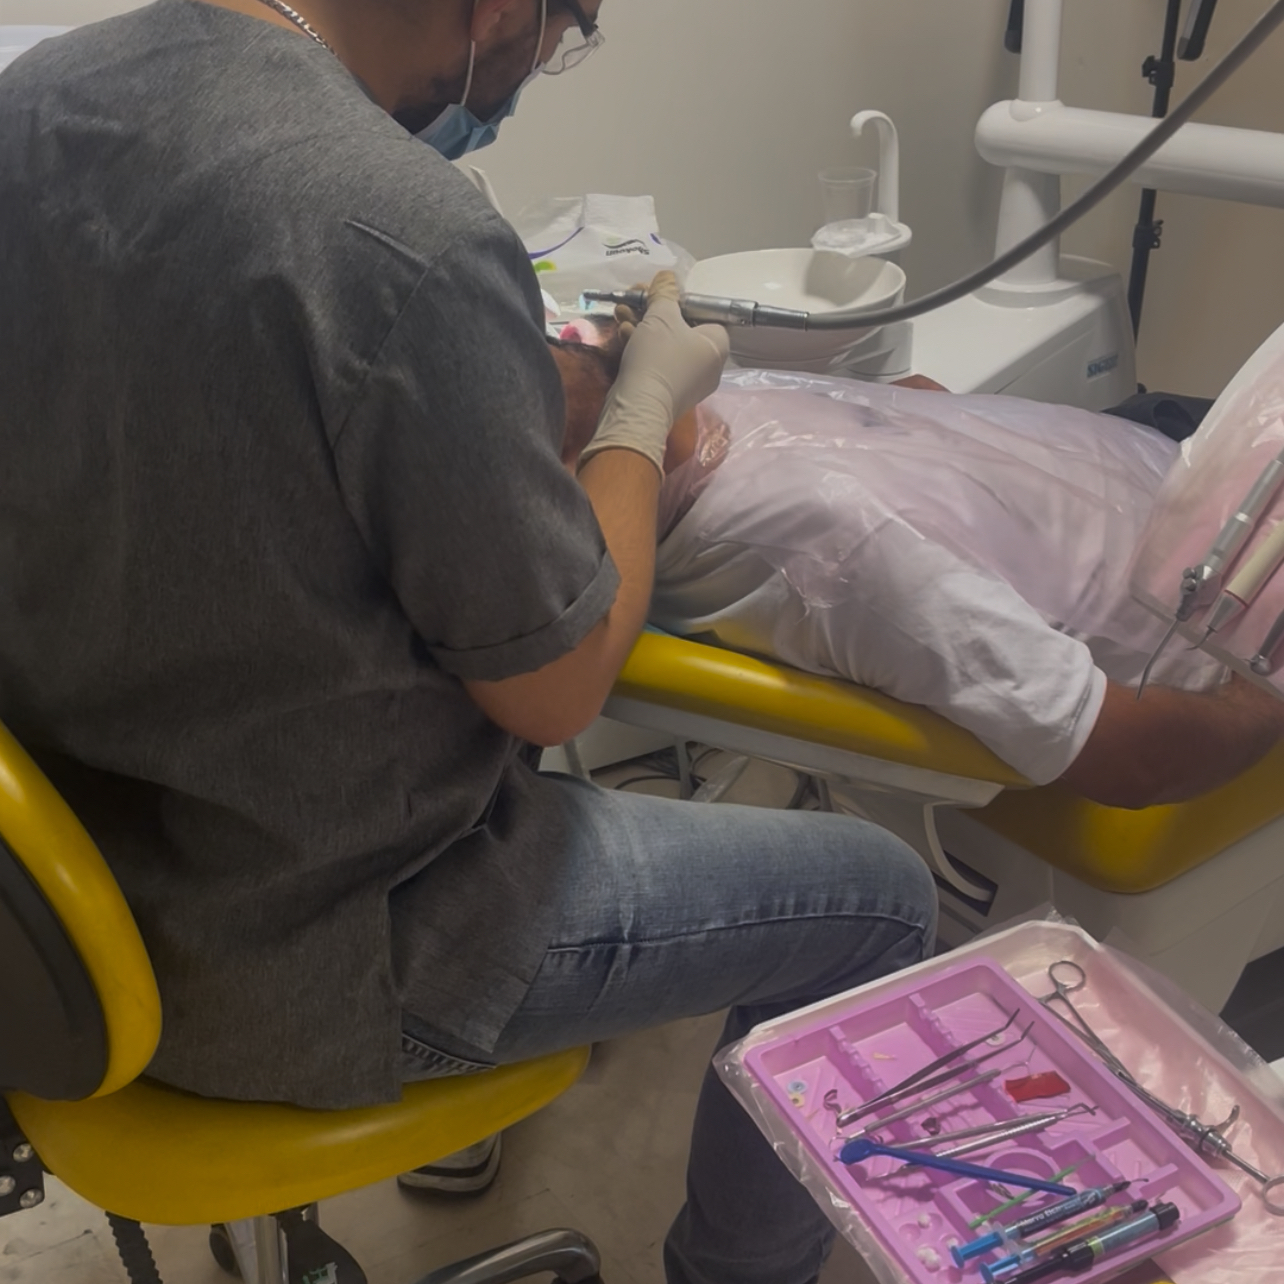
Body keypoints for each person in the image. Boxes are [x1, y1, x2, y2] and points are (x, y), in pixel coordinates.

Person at [0, 5, 939, 1283]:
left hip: (70, 920)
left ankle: (457, 1142)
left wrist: (485, 390)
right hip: (312, 955)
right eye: (551, 43)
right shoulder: (402, 230)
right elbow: (557, 689)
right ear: (503, 9)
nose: (520, 84)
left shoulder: (40, 99)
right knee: (881, 900)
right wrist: (643, 411)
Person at [550, 333, 1284, 809]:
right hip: (1229, 624)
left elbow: (920, 396)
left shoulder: (680, 394)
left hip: (1170, 470)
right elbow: (1137, 761)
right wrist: (1263, 698)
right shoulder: (837, 552)